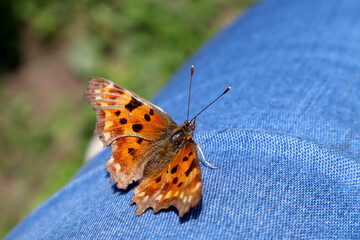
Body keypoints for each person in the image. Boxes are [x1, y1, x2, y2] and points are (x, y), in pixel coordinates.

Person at [6, 0, 360, 238]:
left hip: (141, 149)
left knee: (149, 120)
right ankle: (128, 169)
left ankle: (113, 162)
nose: (190, 126)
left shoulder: (158, 120)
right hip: (158, 161)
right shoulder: (185, 139)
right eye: (190, 126)